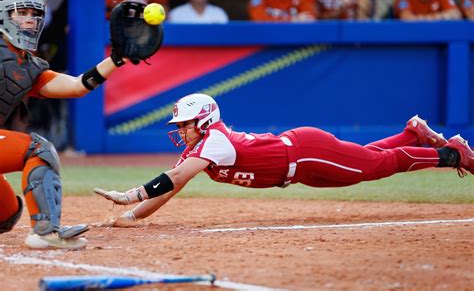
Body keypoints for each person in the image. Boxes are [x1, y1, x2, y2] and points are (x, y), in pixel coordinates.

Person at [95, 93, 473, 224]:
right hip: (301, 168)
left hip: (307, 153)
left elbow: (173, 180)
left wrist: (130, 195)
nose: (182, 130)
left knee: (376, 167)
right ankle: (411, 134)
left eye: (186, 123)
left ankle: (453, 153)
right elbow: (171, 188)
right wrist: (130, 216)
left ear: (204, 120)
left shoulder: (214, 141)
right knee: (365, 163)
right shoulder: (200, 148)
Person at [0, 0, 148, 249]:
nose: (29, 20)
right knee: (39, 150)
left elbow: (77, 86)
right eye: (21, 13)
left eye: (34, 15)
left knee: (6, 215)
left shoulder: (29, 65)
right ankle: (45, 233)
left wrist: (116, 59)